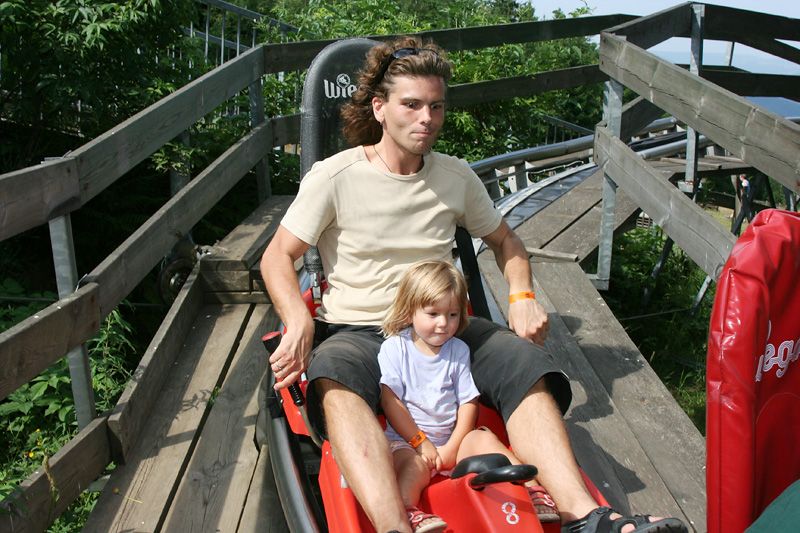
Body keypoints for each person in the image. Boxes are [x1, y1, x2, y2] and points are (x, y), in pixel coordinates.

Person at [260, 35, 688, 533]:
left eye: (436, 106)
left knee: (524, 362)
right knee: (335, 378)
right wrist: (297, 320)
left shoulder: (455, 176)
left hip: (444, 324)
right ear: (379, 108)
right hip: (361, 329)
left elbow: (507, 242)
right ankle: (394, 526)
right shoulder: (335, 176)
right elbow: (277, 256)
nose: (427, 118)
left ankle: (584, 517)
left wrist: (522, 296)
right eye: (412, 105)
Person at [378, 260, 560, 532]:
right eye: (433, 314)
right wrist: (420, 442)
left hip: (451, 441)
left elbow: (467, 402)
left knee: (484, 439)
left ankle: (532, 489)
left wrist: (454, 445)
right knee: (412, 466)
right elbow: (390, 400)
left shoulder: (457, 350)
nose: (443, 323)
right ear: (409, 311)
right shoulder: (395, 348)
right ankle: (406, 509)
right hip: (409, 442)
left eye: (452, 315)